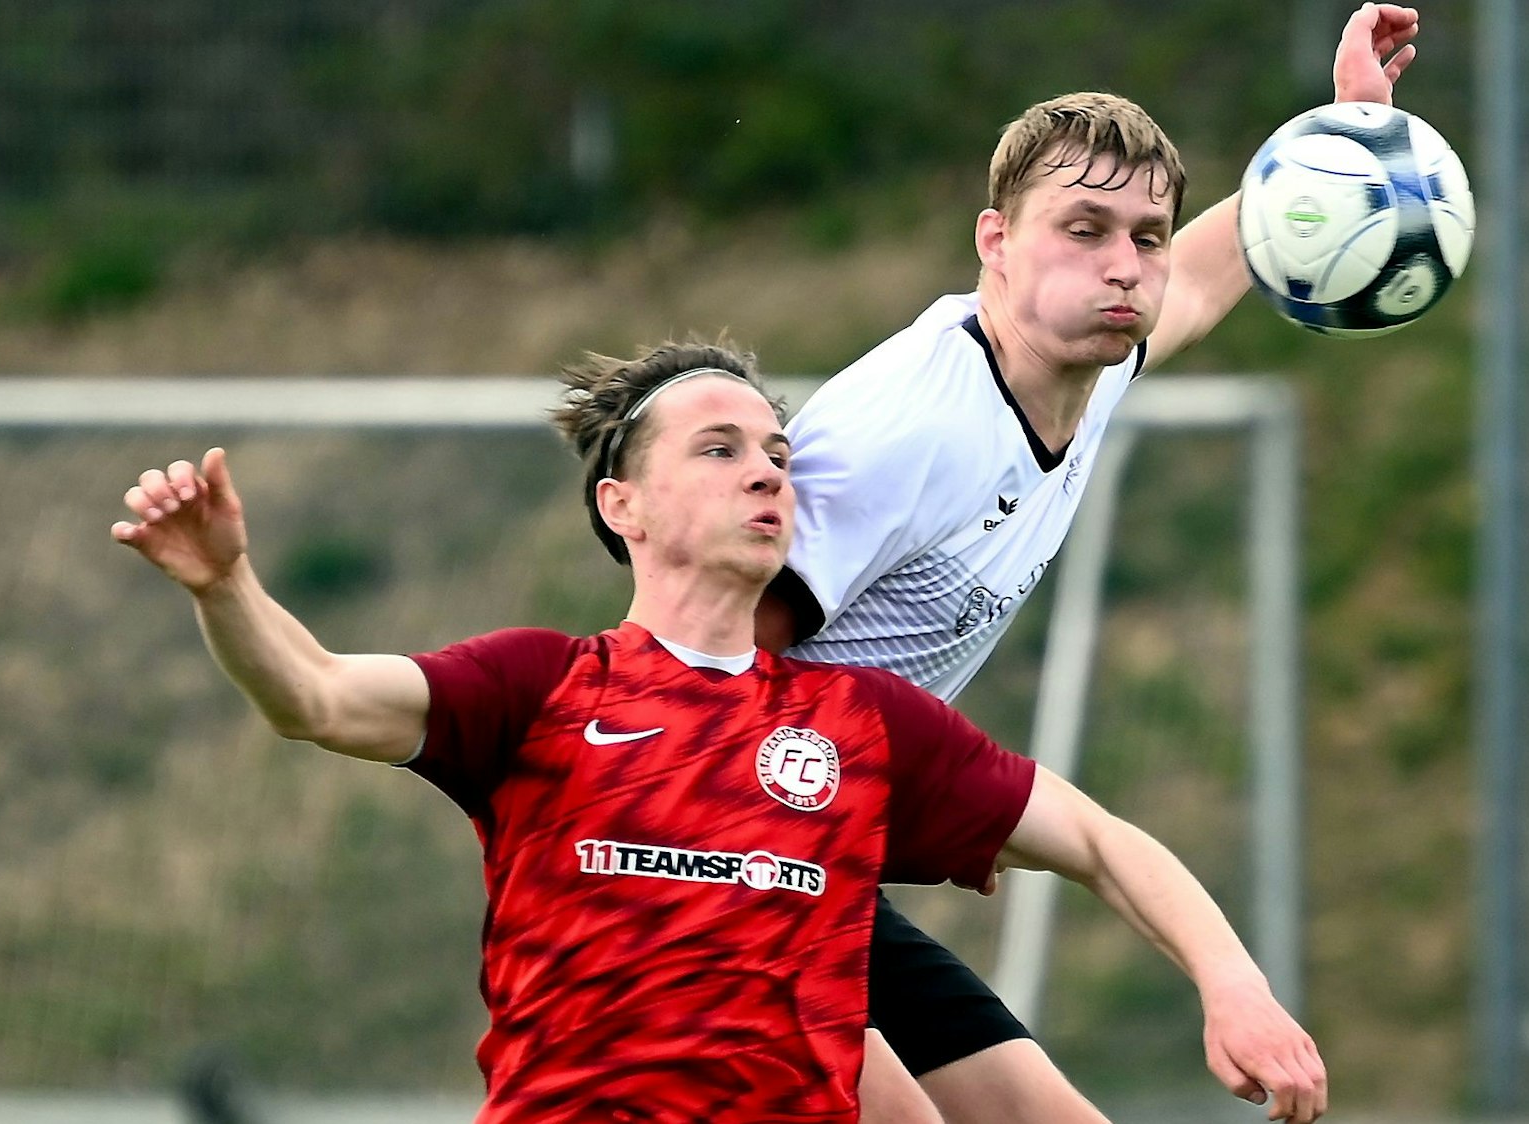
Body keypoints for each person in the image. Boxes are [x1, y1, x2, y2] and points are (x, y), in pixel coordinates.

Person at [110, 342, 1326, 1124]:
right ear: (621, 505)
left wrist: (1237, 990)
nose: (767, 474)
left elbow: (1104, 840)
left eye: (779, 454)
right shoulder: (542, 688)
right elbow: (314, 695)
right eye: (722, 448)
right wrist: (225, 585)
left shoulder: (860, 725)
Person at [752, 5, 1424, 1121]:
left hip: (828, 869)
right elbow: (702, 660)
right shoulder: (903, 431)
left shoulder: (1091, 354)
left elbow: (1212, 274)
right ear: (995, 242)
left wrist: (1345, 132)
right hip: (723, 873)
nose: (1126, 266)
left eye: (1144, 236)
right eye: (1084, 228)